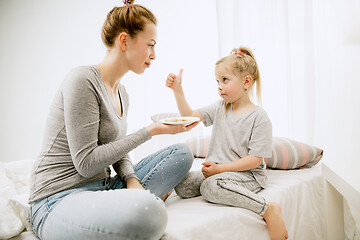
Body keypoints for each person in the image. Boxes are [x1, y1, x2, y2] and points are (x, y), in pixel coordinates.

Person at [28, 1, 198, 240]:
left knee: (182, 153)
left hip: (104, 188)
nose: (154, 55)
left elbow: (116, 149)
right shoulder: (82, 80)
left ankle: (128, 203)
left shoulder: (122, 93)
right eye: (150, 45)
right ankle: (136, 207)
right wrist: (150, 131)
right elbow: (86, 163)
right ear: (124, 41)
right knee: (152, 215)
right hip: (58, 199)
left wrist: (131, 180)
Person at [165, 47, 289, 240]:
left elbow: (254, 160)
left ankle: (268, 209)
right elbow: (190, 117)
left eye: (225, 80)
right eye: (217, 81)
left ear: (246, 82)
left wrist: (220, 169)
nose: (219, 86)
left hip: (248, 175)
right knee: (182, 184)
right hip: (219, 171)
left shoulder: (259, 117)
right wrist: (178, 91)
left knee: (210, 187)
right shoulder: (220, 107)